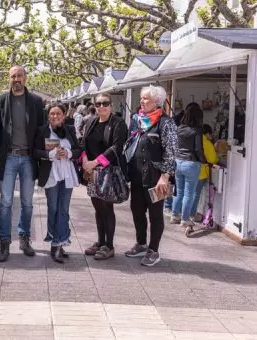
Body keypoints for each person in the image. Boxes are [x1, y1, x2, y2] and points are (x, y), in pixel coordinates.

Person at [0, 65, 45, 262]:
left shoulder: (36, 101)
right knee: (5, 202)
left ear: (26, 78)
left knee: (27, 202)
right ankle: (4, 241)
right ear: (9, 78)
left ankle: (24, 238)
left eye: (19, 76)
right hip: (8, 158)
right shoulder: (0, 101)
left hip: (28, 159)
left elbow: (41, 130)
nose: (16, 79)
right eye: (13, 76)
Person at [124, 85, 177, 267]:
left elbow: (171, 151)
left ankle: (153, 250)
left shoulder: (166, 122)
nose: (142, 101)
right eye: (141, 98)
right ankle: (141, 243)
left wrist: (166, 175)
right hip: (137, 175)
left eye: (146, 98)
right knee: (137, 210)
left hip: (156, 177)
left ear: (157, 102)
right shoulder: (136, 120)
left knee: (155, 215)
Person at [80, 93, 128, 260]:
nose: (101, 106)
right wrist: (85, 160)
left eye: (105, 103)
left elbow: (116, 148)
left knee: (107, 209)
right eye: (98, 104)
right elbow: (83, 143)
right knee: (98, 208)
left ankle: (109, 245)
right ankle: (100, 242)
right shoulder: (91, 121)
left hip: (108, 173)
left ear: (111, 105)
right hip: (92, 173)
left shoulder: (118, 123)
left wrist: (95, 162)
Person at [33, 103, 81, 263]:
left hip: (67, 174)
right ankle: (55, 241)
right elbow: (35, 151)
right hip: (51, 175)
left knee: (64, 209)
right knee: (53, 208)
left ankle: (59, 243)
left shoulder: (70, 130)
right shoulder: (42, 131)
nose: (55, 116)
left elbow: (78, 150)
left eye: (58, 113)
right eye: (52, 114)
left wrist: (67, 153)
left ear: (64, 115)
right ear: (48, 116)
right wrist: (51, 154)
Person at [171, 103, 206, 236]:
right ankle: (185, 219)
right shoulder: (196, 130)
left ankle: (175, 215)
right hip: (191, 162)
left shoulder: (179, 128)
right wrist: (203, 160)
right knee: (189, 193)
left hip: (178, 161)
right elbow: (198, 148)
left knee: (178, 191)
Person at [191, 124, 218, 227]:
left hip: (191, 170)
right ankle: (193, 215)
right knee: (198, 195)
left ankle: (185, 214)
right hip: (202, 173)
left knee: (190, 194)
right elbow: (213, 159)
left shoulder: (194, 139)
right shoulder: (207, 143)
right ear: (207, 133)